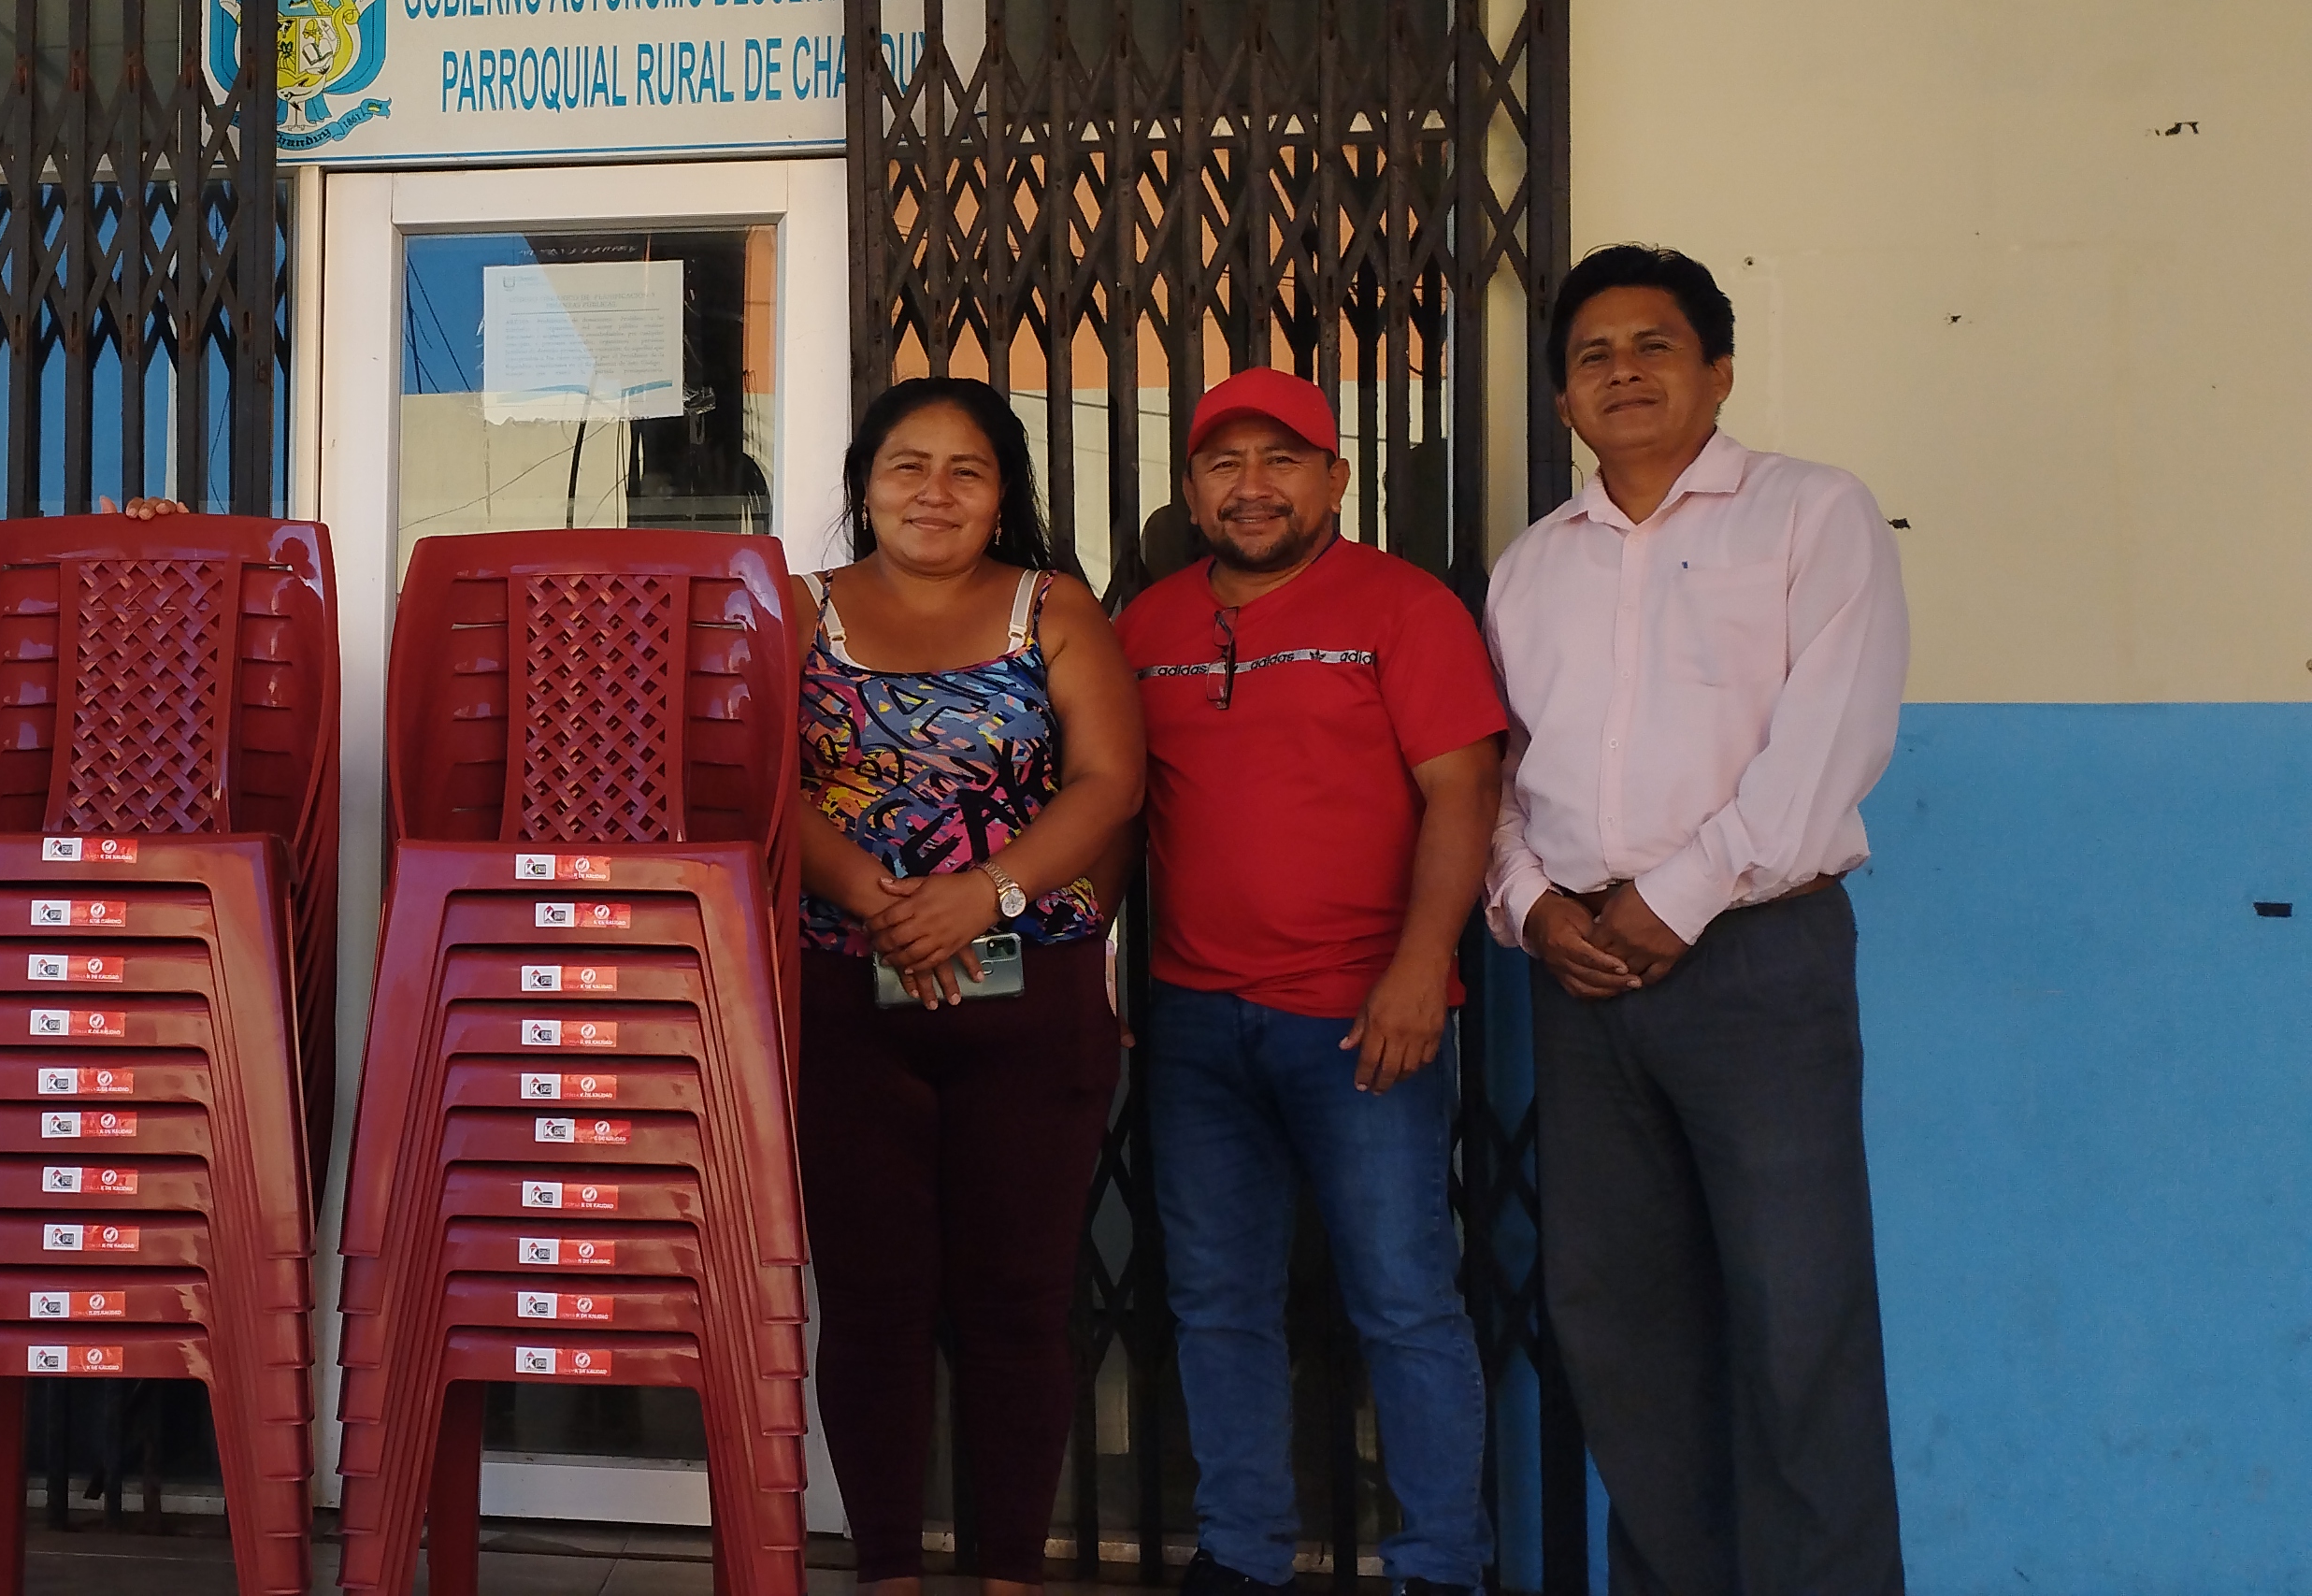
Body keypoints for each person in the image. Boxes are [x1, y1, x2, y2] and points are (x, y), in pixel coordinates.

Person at [1487, 244, 1909, 1594]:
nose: (1622, 373)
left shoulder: (1811, 515)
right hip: (1582, 982)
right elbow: (1503, 776)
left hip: (1755, 964)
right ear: (1562, 398)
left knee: (1798, 1315)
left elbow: (1826, 742)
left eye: (1653, 345)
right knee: (1624, 1326)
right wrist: (1531, 908)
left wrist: (1674, 901)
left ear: (1719, 370)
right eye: (1592, 356)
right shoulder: (1531, 567)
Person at [1114, 368, 1501, 1596]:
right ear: (1190, 491)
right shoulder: (1147, 628)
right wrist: (1107, 966)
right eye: (1223, 463)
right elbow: (1115, 810)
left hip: (1361, 1018)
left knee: (1403, 1298)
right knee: (1216, 1301)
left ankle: (1441, 1563)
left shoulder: (1404, 607)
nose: (1252, 486)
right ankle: (1241, 1554)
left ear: (1334, 480)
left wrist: (1420, 970)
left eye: (1281, 460)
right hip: (1193, 1021)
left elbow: (1464, 791)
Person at [788, 376, 1144, 1594]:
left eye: (966, 470)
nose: (933, 492)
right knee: (871, 1301)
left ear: (1002, 497)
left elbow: (1109, 781)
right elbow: (748, 776)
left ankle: (1009, 1575)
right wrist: (875, 896)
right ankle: (887, 1568)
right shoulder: (794, 610)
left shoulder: (1055, 608)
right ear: (864, 486)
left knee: (1018, 1300)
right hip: (841, 997)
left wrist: (980, 893)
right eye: (907, 465)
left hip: (1030, 1001)